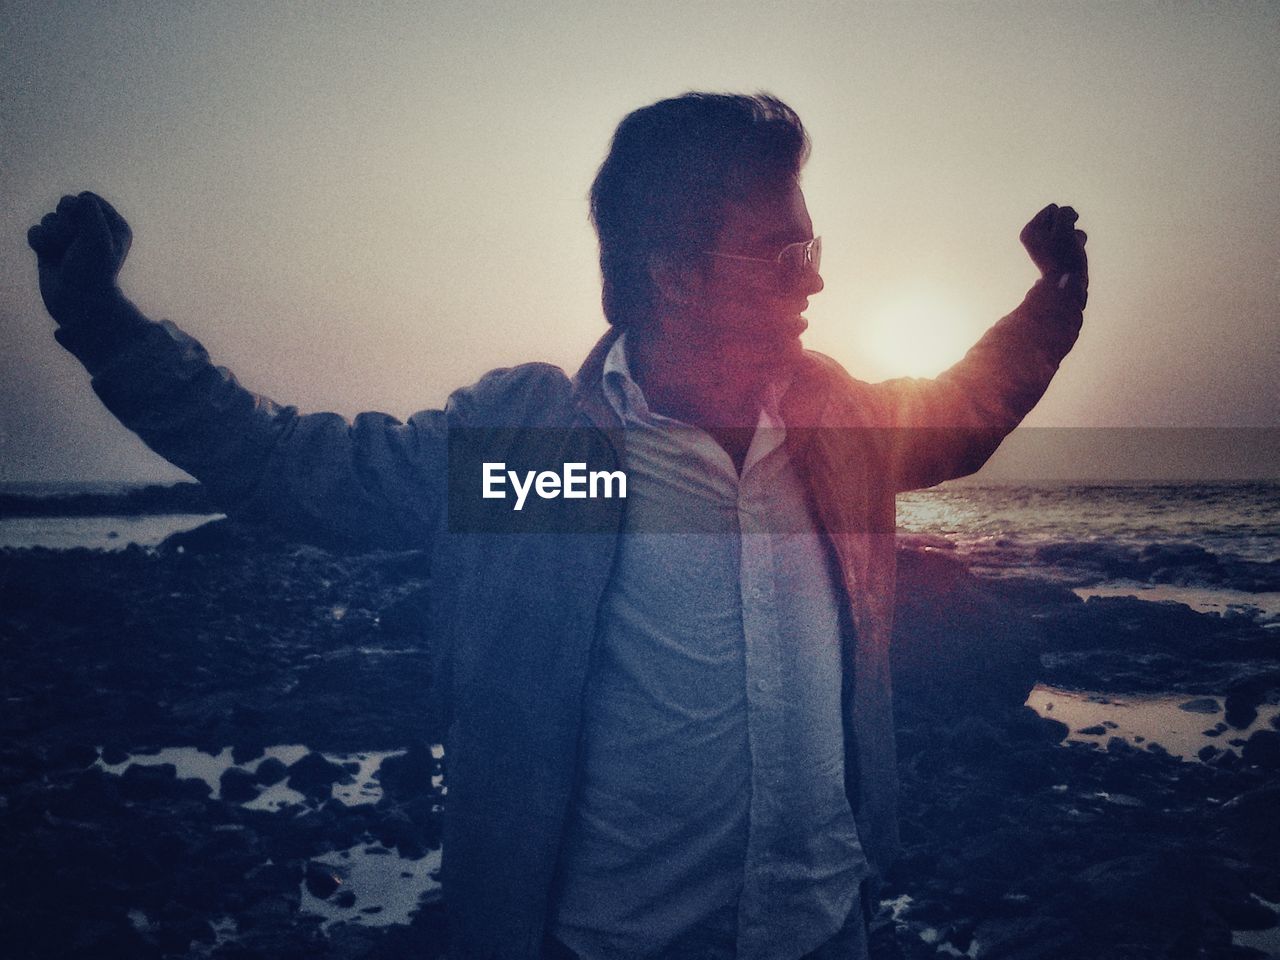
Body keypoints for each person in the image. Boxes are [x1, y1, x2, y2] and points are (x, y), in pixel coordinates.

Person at [27, 93, 1087, 960]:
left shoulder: (829, 433)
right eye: (781, 252)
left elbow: (955, 415)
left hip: (818, 932)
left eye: (811, 244)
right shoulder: (557, 468)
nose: (814, 275)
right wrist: (109, 329)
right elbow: (299, 466)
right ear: (670, 274)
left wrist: (1048, 308)